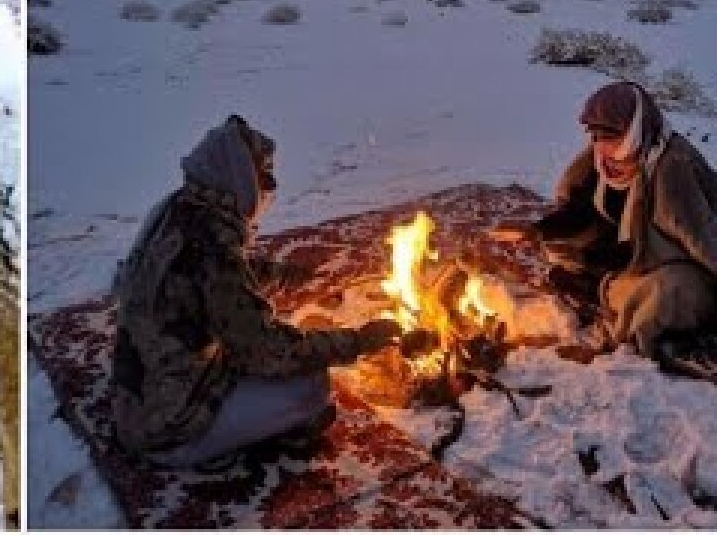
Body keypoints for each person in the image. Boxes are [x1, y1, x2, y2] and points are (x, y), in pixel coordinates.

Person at [109, 115, 434, 468]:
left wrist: (283, 275)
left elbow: (206, 285)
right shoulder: (213, 245)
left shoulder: (177, 208)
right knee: (311, 386)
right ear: (238, 176)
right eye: (264, 177)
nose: (268, 189)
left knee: (261, 344)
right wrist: (360, 342)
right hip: (169, 424)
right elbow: (269, 352)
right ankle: (206, 449)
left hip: (137, 393)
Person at [488, 81, 717, 357]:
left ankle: (610, 298)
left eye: (611, 136)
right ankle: (603, 289)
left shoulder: (673, 166)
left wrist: (589, 261)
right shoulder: (604, 158)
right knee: (560, 249)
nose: (602, 145)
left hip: (682, 263)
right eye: (595, 136)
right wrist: (537, 231)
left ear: (635, 130)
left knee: (665, 293)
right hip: (629, 259)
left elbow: (704, 241)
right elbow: (583, 210)